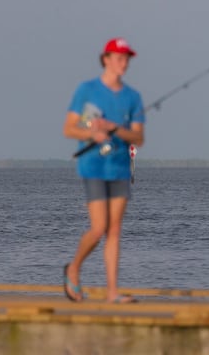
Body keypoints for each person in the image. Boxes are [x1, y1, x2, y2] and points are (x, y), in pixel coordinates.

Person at [62, 37, 145, 303]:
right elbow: (69, 128)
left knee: (115, 230)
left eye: (126, 58)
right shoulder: (87, 90)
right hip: (94, 166)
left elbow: (138, 138)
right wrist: (92, 133)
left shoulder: (133, 97)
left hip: (120, 168)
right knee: (99, 228)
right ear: (106, 59)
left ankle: (112, 292)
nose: (124, 63)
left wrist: (114, 129)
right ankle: (74, 268)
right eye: (119, 58)